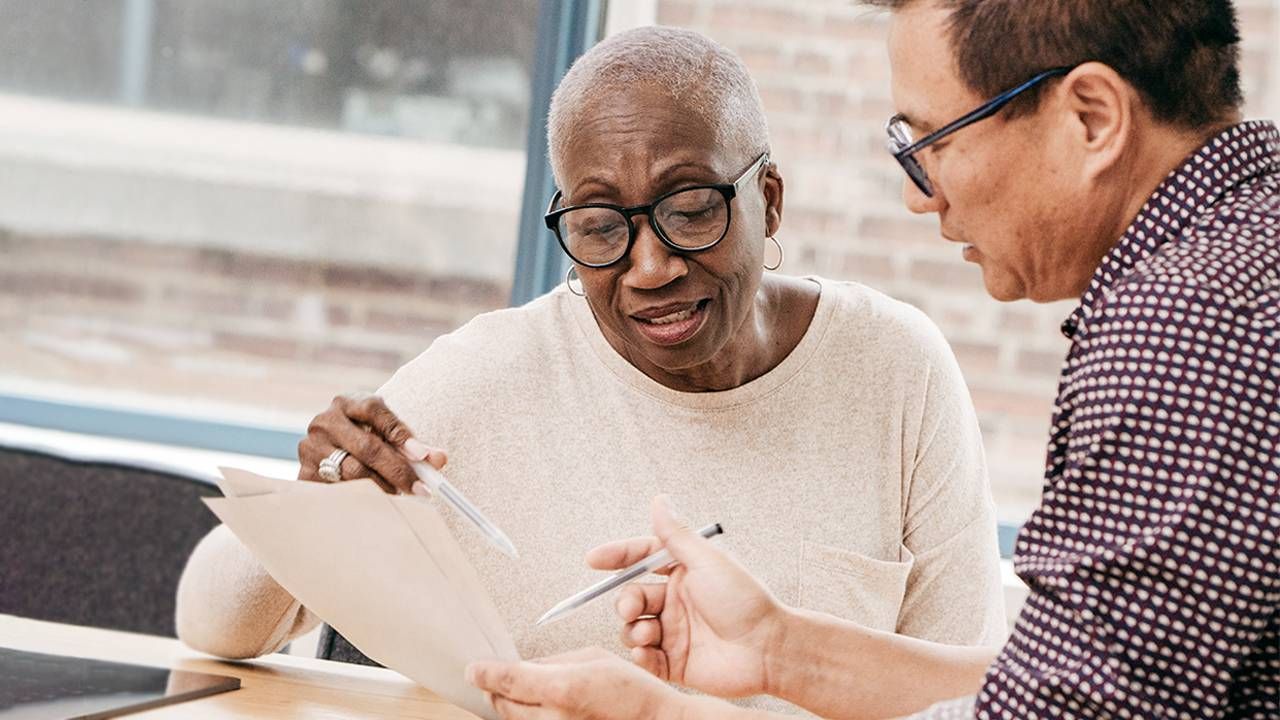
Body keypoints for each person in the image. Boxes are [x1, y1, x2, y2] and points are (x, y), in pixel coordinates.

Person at [467, 1, 1279, 718]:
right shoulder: (1248, 253)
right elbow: (1054, 686)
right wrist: (782, 652)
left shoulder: (1189, 324)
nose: (919, 194)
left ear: (1092, 118)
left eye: (934, 140)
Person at [174, 26, 1007, 710]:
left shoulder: (897, 369)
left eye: (689, 209)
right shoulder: (488, 374)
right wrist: (319, 499)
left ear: (770, 201)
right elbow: (211, 626)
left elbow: (967, 702)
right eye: (602, 226)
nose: (649, 267)